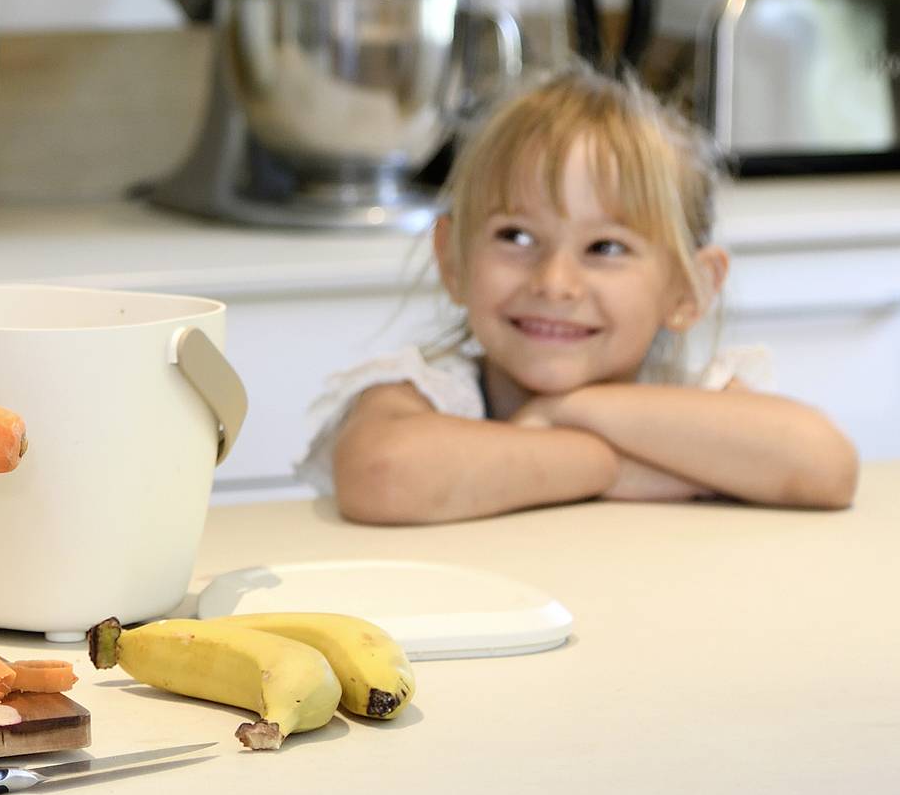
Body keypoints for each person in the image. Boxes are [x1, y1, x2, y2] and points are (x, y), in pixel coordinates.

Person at [299, 68, 858, 523]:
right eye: (516, 237)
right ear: (453, 259)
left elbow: (825, 467)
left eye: (606, 248)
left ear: (691, 288)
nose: (554, 283)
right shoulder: (431, 395)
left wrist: (566, 410)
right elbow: (384, 475)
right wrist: (611, 467)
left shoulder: (695, 394)